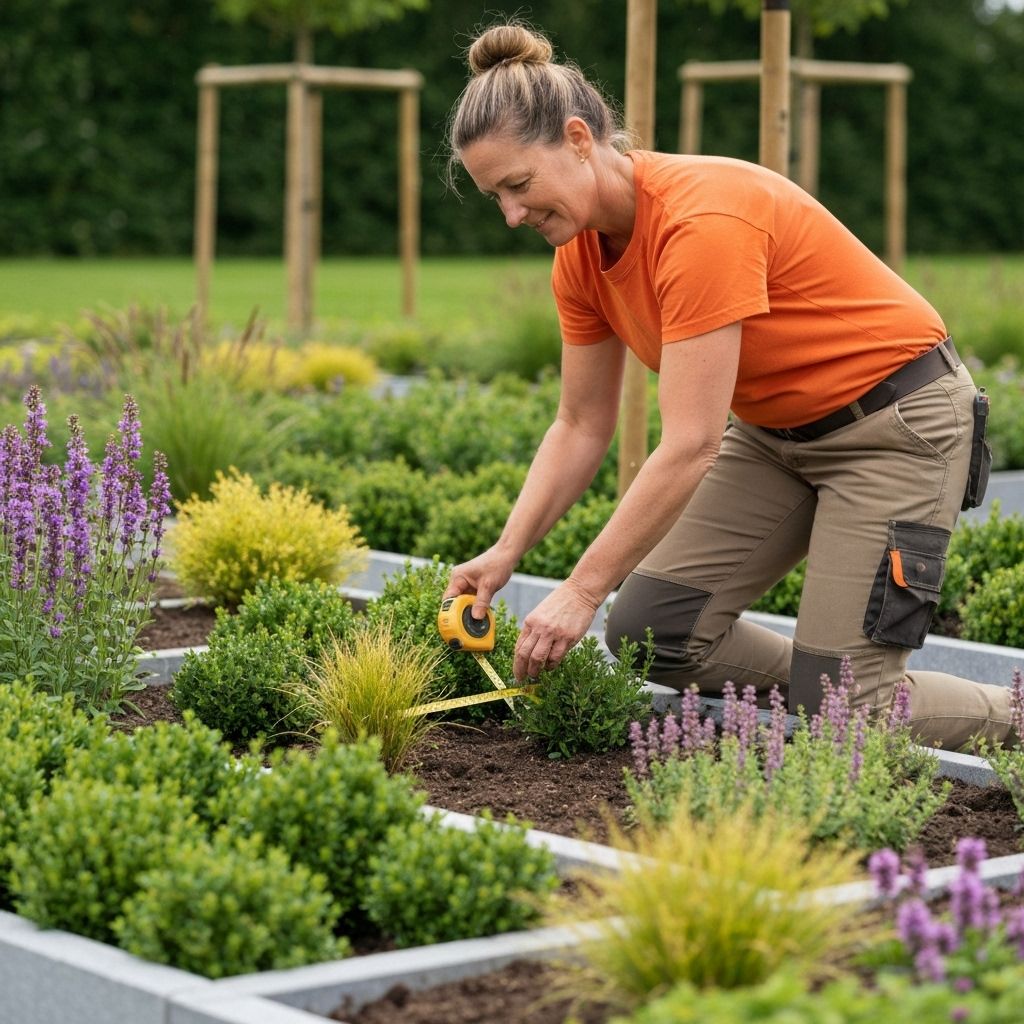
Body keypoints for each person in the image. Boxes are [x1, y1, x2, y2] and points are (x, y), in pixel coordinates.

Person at [441, 20, 1010, 750]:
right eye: (496, 198)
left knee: (848, 718)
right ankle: (823, 688)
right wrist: (506, 551)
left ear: (579, 140)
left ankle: (993, 711)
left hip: (895, 427)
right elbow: (580, 424)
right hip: (776, 437)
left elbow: (689, 445)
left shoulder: (699, 222)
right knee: (656, 634)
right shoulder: (579, 258)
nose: (513, 214)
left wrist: (581, 590)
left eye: (518, 186)